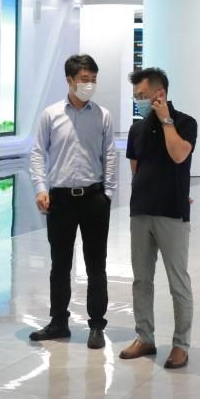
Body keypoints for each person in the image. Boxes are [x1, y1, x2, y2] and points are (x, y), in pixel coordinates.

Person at [28, 54, 118, 349]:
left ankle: (96, 324)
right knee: (60, 264)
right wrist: (41, 188)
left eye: (93, 79)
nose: (89, 84)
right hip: (61, 200)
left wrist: (108, 194)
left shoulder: (102, 115)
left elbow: (110, 154)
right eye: (84, 79)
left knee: (96, 264)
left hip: (94, 198)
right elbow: (38, 152)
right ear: (69, 80)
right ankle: (58, 322)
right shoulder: (51, 115)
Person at [119, 67, 197, 370]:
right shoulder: (136, 129)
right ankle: (145, 337)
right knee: (141, 279)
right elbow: (136, 168)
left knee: (178, 282)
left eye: (142, 95)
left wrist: (166, 121)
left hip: (172, 212)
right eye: (135, 96)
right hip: (141, 212)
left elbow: (178, 155)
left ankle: (181, 345)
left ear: (160, 94)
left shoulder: (186, 123)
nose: (138, 101)